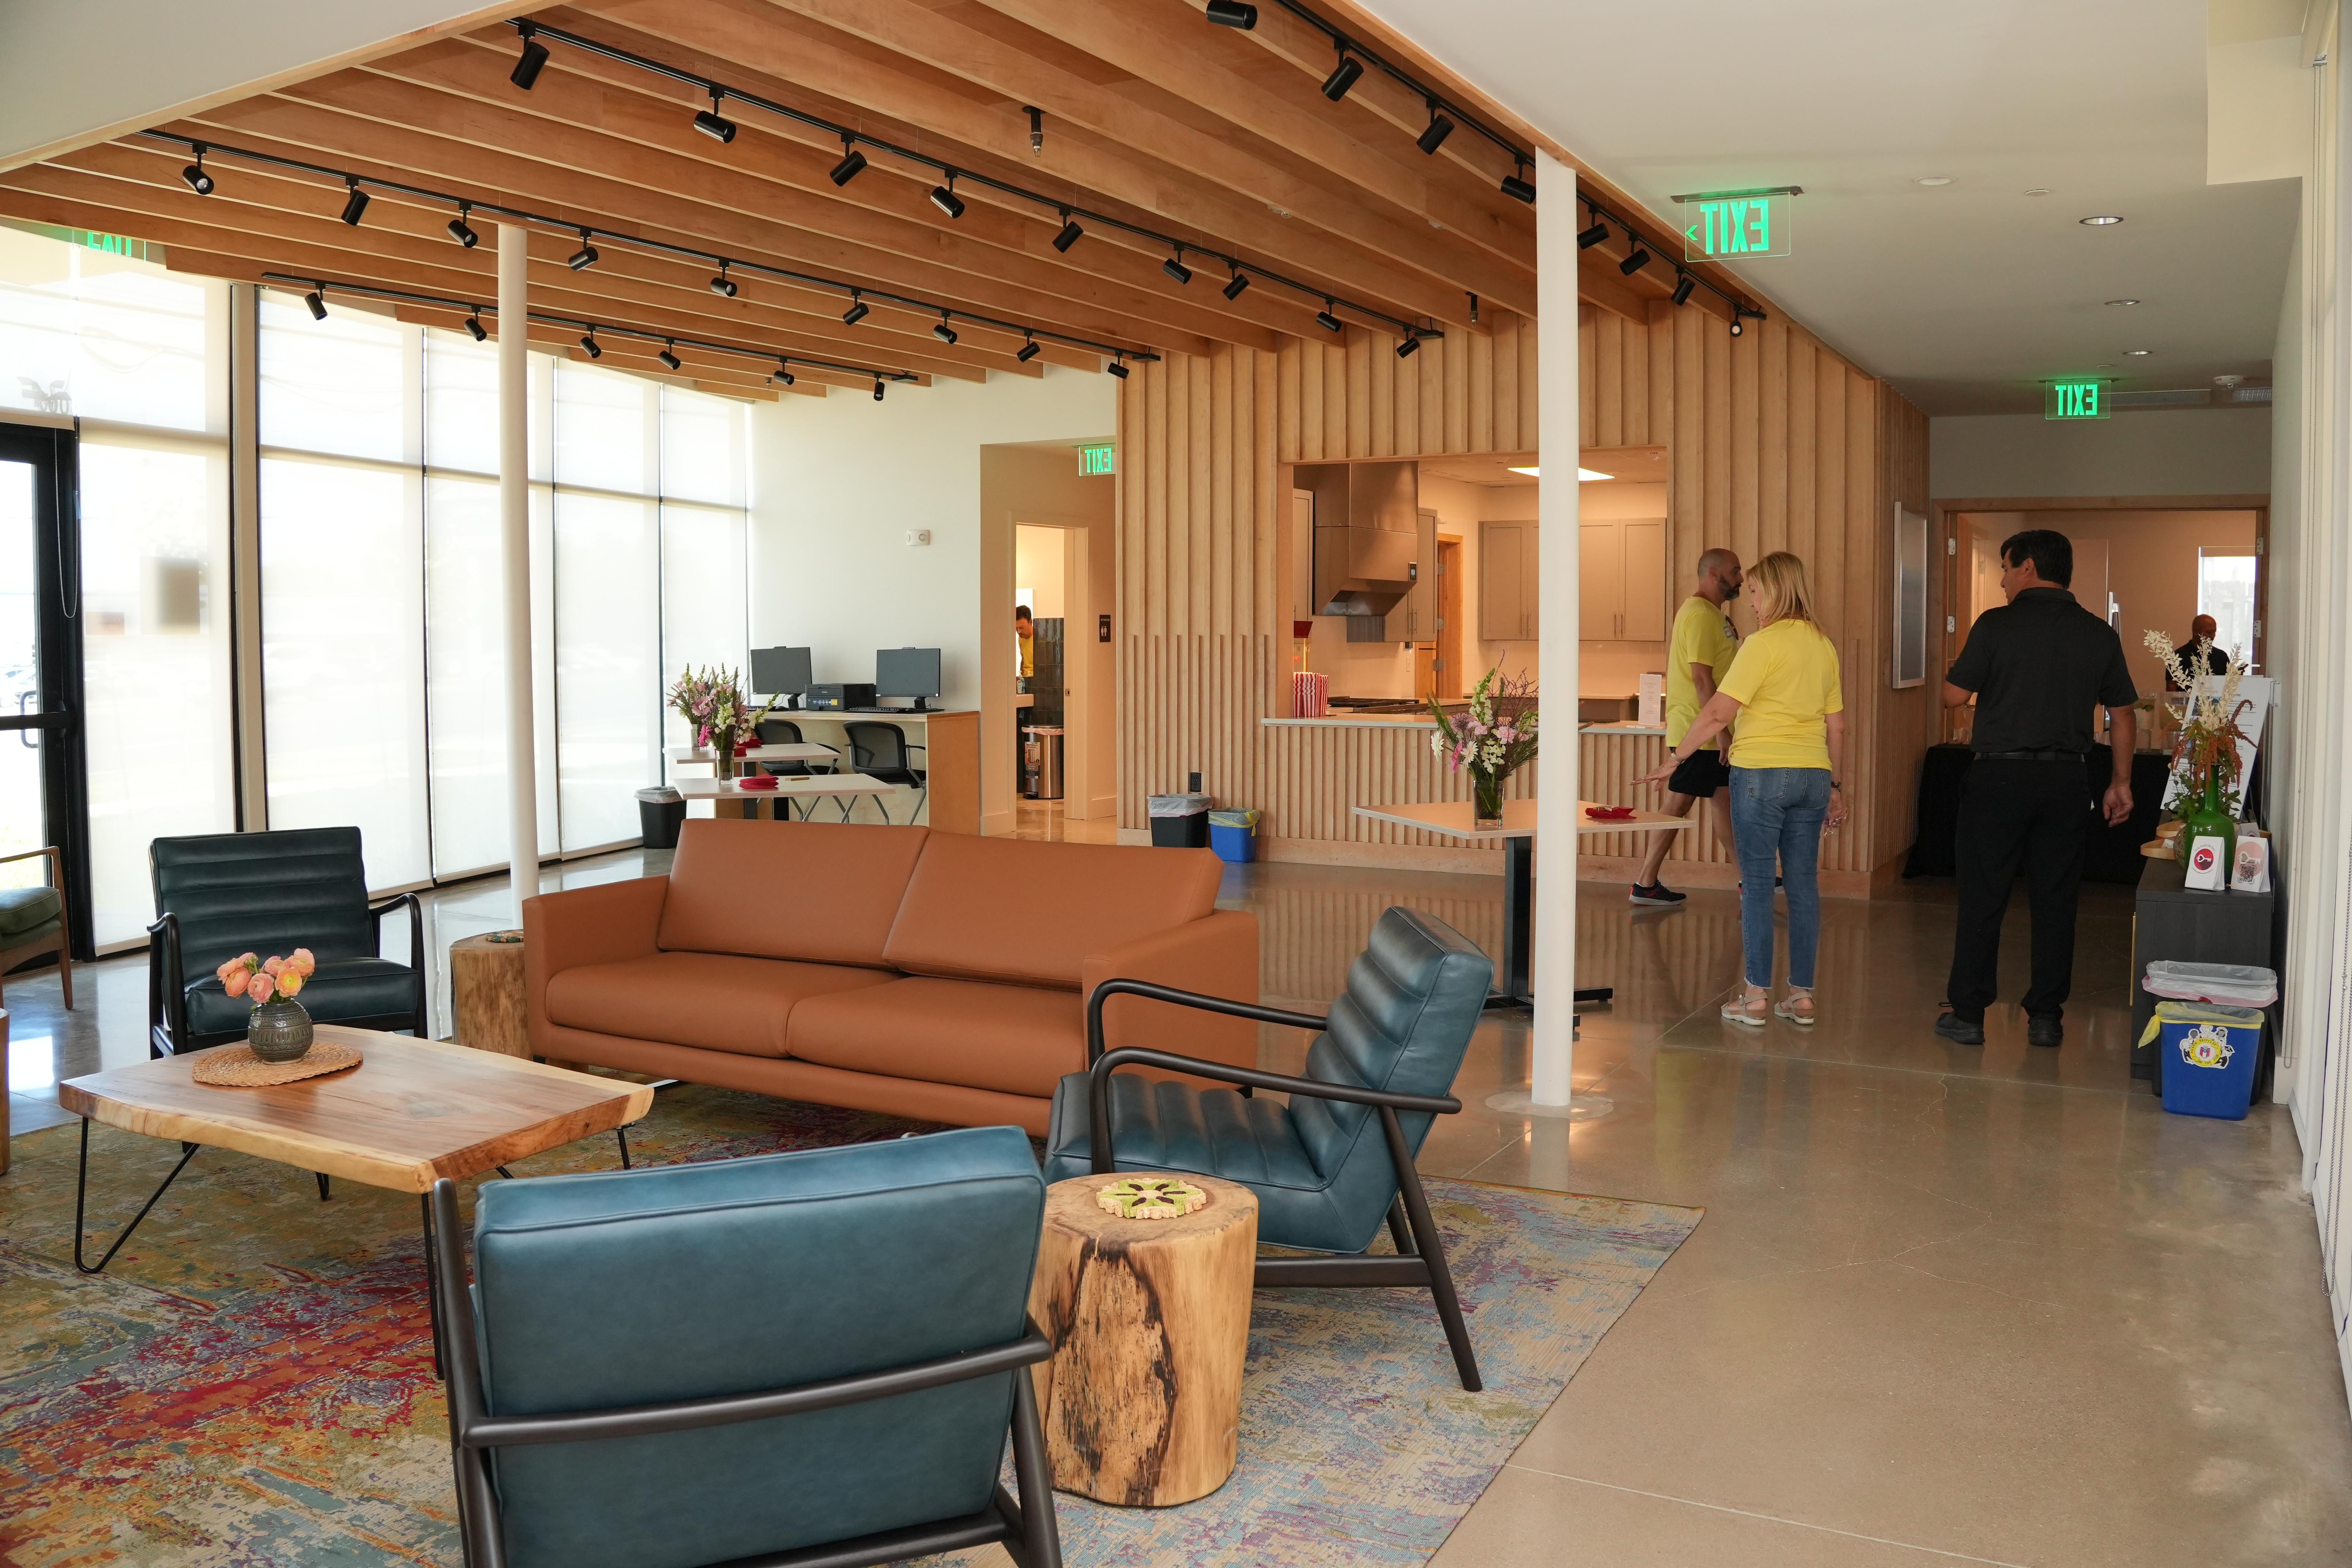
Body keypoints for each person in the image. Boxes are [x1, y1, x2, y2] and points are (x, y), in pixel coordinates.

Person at [1938, 528, 2137, 1048]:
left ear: (2027, 567)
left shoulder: (1995, 625)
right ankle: (2046, 1018)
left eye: (2006, 568)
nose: (2002, 580)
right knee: (2056, 899)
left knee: (1983, 895)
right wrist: (2120, 782)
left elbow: (1953, 696)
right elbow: (2121, 713)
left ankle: (1969, 1015)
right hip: (2067, 778)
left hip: (1998, 777)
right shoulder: (2097, 634)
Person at [1637, 552, 1845, 1026]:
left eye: (1754, 591)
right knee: (1803, 886)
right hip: (1813, 774)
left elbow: (1717, 712)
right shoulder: (1823, 645)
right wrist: (1836, 784)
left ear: (1773, 591)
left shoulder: (1762, 644)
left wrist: (1676, 758)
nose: (1750, 601)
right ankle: (1802, 997)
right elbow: (1837, 727)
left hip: (1762, 773)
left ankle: (1754, 997)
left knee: (1755, 884)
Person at [1630, 548, 1743, 907]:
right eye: (1735, 571)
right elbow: (1700, 678)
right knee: (1678, 804)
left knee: (1723, 801)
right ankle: (1645, 883)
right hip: (1700, 732)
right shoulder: (1698, 615)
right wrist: (1721, 730)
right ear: (1713, 574)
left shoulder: (1715, 616)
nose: (1741, 578)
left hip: (1711, 732)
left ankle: (1749, 879)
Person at [2163, 612, 2230, 689]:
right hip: (2186, 701)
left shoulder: (2221, 657)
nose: (2213, 636)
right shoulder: (2177, 657)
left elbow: (2228, 687)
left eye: (2214, 632)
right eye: (2209, 632)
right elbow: (2172, 689)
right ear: (2196, 632)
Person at [1015, 605, 1035, 680]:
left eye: (1022, 628)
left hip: (1035, 679)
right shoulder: (1021, 638)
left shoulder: (1038, 640)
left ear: (1030, 622)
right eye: (1016, 628)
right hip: (1025, 679)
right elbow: (1024, 660)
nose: (1019, 632)